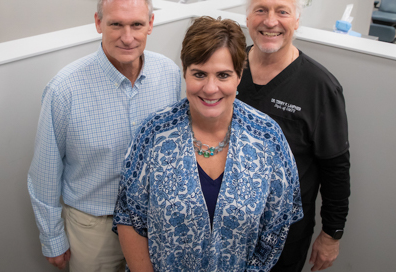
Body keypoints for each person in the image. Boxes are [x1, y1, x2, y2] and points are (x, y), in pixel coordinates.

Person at [113, 16, 303, 271]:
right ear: (185, 72)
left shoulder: (267, 137)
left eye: (223, 75)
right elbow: (129, 215)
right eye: (199, 74)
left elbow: (276, 229)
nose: (211, 88)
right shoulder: (154, 133)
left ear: (239, 76)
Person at [28, 0, 182, 271]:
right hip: (93, 228)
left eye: (136, 24)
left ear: (150, 24)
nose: (127, 37)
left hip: (155, 221)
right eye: (116, 25)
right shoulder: (65, 90)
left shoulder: (170, 75)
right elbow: (44, 173)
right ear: (98, 23)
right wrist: (52, 239)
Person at [236, 0, 351, 272]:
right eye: (261, 9)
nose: (270, 21)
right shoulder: (228, 68)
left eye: (282, 11)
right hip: (226, 227)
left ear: (297, 20)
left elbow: (336, 167)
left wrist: (331, 234)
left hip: (284, 235)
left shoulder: (319, 86)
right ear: (247, 17)